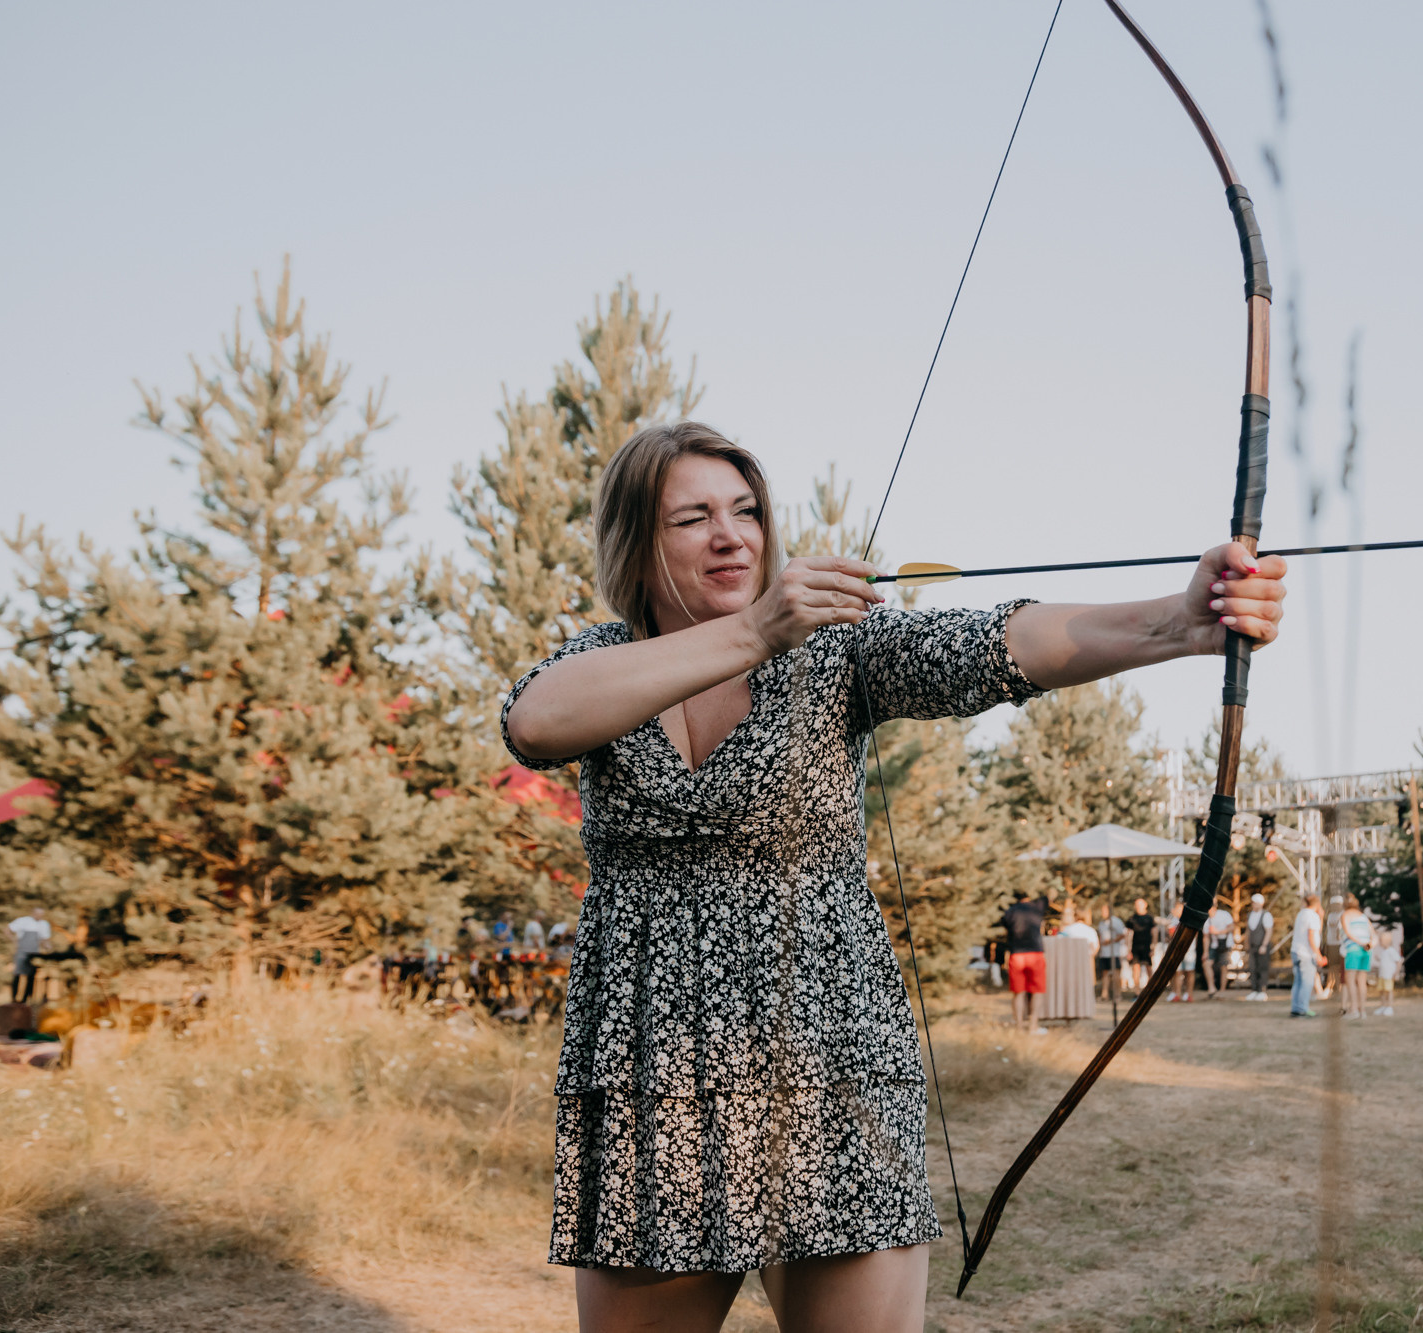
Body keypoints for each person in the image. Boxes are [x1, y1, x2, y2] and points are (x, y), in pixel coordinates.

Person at [498, 421, 1287, 1332]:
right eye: (695, 517)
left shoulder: (835, 652)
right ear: (638, 544)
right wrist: (757, 629)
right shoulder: (600, 662)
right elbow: (533, 722)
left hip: (834, 1061)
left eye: (747, 510)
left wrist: (1176, 622)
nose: (733, 534)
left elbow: (999, 645)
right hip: (652, 1072)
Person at [999, 890, 1051, 1035]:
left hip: (1017, 954)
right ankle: (1033, 1026)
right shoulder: (1037, 906)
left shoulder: (1010, 911)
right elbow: (1047, 894)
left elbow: (1004, 925)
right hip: (1036, 954)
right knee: (1037, 992)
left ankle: (1019, 1027)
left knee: (1018, 993)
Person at [1290, 889, 1324, 1018]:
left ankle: (1295, 1007)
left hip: (1295, 951)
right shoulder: (1312, 916)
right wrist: (1318, 954)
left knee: (1298, 981)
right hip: (1306, 953)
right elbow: (1312, 935)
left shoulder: (1301, 914)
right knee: (1307, 982)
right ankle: (1302, 1008)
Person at [6, 907, 50, 1004]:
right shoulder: (23, 921)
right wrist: (14, 941)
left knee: (31, 976)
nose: (40, 916)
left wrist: (48, 947)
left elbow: (44, 940)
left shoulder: (44, 924)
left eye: (41, 914)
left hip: (34, 953)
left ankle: (26, 1000)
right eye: (38, 914)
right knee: (18, 974)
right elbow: (7, 929)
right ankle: (14, 999)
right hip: (21, 951)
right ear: (33, 913)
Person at [1340, 894, 1374, 1018]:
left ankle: (1353, 1010)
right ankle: (1362, 1011)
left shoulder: (1345, 915)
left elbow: (1348, 933)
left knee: (1350, 980)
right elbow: (1373, 935)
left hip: (1353, 950)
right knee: (1361, 981)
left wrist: (1361, 943)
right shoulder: (1363, 917)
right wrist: (1369, 944)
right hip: (1366, 951)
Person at [1125, 896, 1160, 996]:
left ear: (1145, 905)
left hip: (1146, 947)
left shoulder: (1149, 918)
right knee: (1136, 969)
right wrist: (1128, 950)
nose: (1138, 907)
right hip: (1135, 948)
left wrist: (1153, 947)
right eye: (1136, 905)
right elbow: (1128, 934)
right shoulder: (1132, 919)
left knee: (1149, 968)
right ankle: (1137, 992)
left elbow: (1155, 933)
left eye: (1140, 904)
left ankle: (1151, 990)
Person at [1095, 900, 1127, 1005]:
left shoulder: (1116, 921)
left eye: (1104, 911)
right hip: (1104, 953)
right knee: (1105, 973)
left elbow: (1122, 934)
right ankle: (1105, 994)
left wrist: (1111, 941)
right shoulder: (1101, 923)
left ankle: (1118, 994)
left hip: (1114, 952)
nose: (1102, 913)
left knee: (1116, 973)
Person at [1243, 893, 1274, 1001]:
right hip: (1252, 946)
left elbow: (1268, 931)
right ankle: (1254, 990)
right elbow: (1248, 931)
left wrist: (1264, 945)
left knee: (1262, 968)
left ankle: (1262, 990)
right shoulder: (1250, 915)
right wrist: (1246, 943)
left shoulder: (1266, 915)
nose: (1253, 905)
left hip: (1262, 946)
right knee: (1252, 968)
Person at [1202, 899, 1234, 998]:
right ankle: (1212, 988)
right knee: (1206, 964)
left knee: (1223, 967)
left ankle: (1222, 991)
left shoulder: (1223, 915)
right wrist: (1205, 952)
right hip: (1214, 944)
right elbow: (1206, 937)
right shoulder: (1207, 920)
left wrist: (1219, 932)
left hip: (1226, 943)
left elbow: (1231, 927)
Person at [1370, 925, 1399, 1016]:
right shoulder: (1383, 951)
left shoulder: (1392, 951)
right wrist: (1378, 959)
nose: (1380, 943)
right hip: (1382, 975)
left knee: (1389, 991)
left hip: (1388, 975)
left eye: (1381, 941)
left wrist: (1396, 973)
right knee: (1381, 991)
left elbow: (1398, 961)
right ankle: (1383, 1006)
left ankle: (1389, 1007)